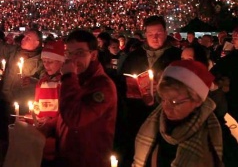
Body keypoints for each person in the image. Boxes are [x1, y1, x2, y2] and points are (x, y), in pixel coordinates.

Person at [39, 29, 117, 167]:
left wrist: (68, 77)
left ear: (93, 55)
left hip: (88, 160)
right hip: (68, 156)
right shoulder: (79, 79)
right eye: (69, 53)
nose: (73, 59)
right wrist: (50, 125)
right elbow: (68, 111)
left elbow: (75, 118)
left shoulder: (102, 86)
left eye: (79, 53)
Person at [133, 60, 224, 167]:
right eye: (163, 99)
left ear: (197, 101)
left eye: (174, 102)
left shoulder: (214, 136)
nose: (166, 108)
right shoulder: (153, 122)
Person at [119, 15, 181, 167]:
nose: (155, 37)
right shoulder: (134, 57)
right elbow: (122, 82)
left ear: (166, 33)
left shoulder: (176, 56)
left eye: (158, 33)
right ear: (145, 35)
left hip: (166, 113)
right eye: (150, 34)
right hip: (137, 113)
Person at [0, 29, 44, 115]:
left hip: (22, 104)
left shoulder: (41, 60)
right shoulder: (14, 51)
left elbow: (44, 81)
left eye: (28, 38)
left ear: (37, 43)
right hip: (5, 99)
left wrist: (33, 81)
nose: (23, 39)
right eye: (24, 36)